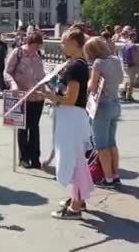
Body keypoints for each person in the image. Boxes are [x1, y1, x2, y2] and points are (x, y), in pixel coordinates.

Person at [41, 29, 93, 220]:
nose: (61, 45)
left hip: (71, 118)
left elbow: (71, 99)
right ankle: (76, 198)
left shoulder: (75, 66)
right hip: (73, 118)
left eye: (63, 42)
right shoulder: (78, 64)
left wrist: (51, 96)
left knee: (74, 162)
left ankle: (76, 206)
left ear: (74, 42)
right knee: (76, 160)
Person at [84, 37, 124, 188]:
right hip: (115, 103)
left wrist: (88, 81)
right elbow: (120, 80)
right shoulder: (115, 59)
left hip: (102, 106)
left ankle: (107, 178)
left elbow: (92, 87)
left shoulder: (98, 63)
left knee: (101, 146)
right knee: (111, 143)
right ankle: (115, 174)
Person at [5, 32, 46, 169]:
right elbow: (7, 72)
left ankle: (35, 157)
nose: (36, 49)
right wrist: (13, 84)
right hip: (22, 94)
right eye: (35, 46)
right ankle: (23, 158)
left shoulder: (38, 54)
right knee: (23, 127)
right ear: (29, 43)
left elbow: (41, 74)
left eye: (38, 46)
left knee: (34, 127)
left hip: (38, 95)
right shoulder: (18, 53)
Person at [121, 34, 139, 101]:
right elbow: (134, 56)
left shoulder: (125, 45)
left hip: (125, 64)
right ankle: (129, 95)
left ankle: (123, 92)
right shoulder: (133, 46)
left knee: (126, 79)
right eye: (135, 37)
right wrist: (136, 64)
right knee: (131, 81)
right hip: (131, 64)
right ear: (132, 37)